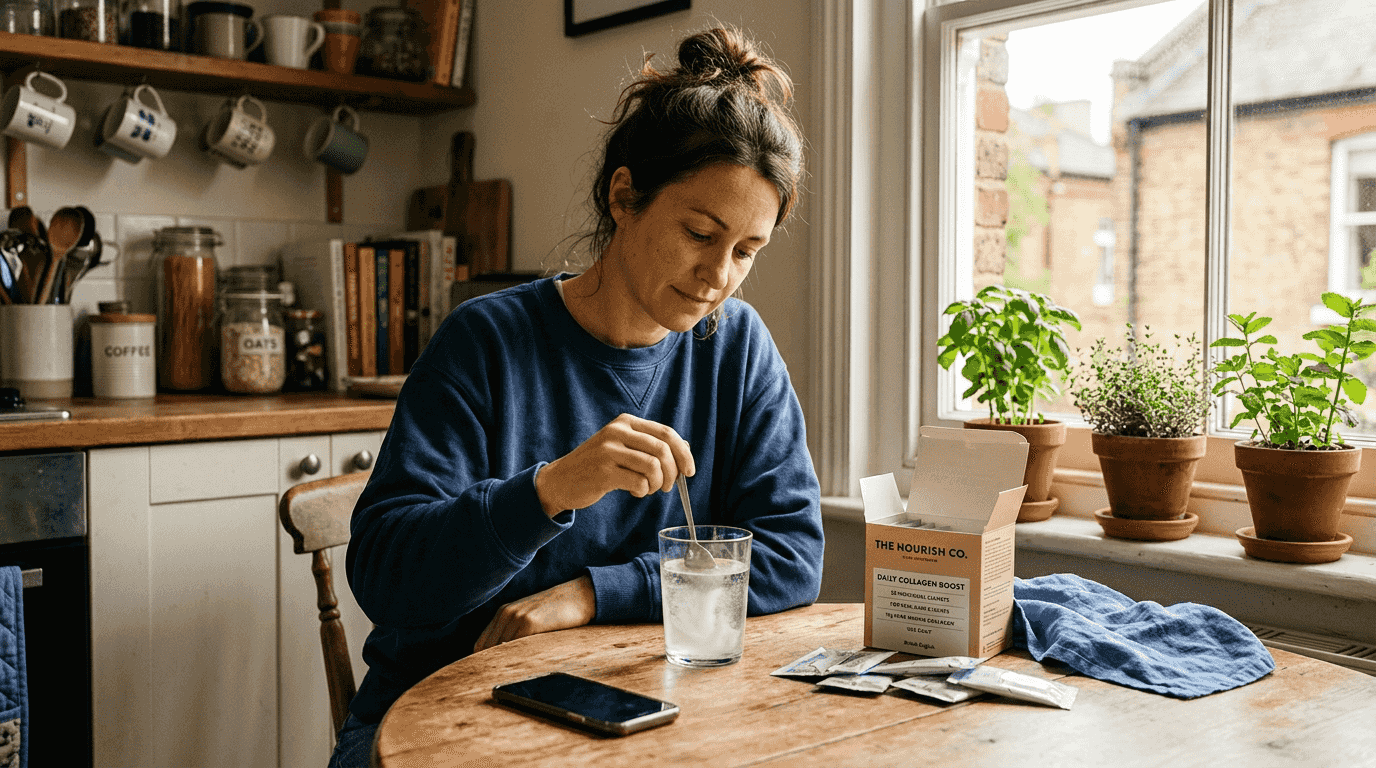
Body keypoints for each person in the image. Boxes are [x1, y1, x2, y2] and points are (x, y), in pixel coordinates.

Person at [329, 26, 824, 767]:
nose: (719, 275)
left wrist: (590, 594)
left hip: (635, 716)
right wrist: (551, 489)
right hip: (438, 718)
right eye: (699, 233)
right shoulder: (485, 342)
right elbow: (385, 576)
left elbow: (792, 553)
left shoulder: (736, 346)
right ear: (625, 196)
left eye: (746, 251)